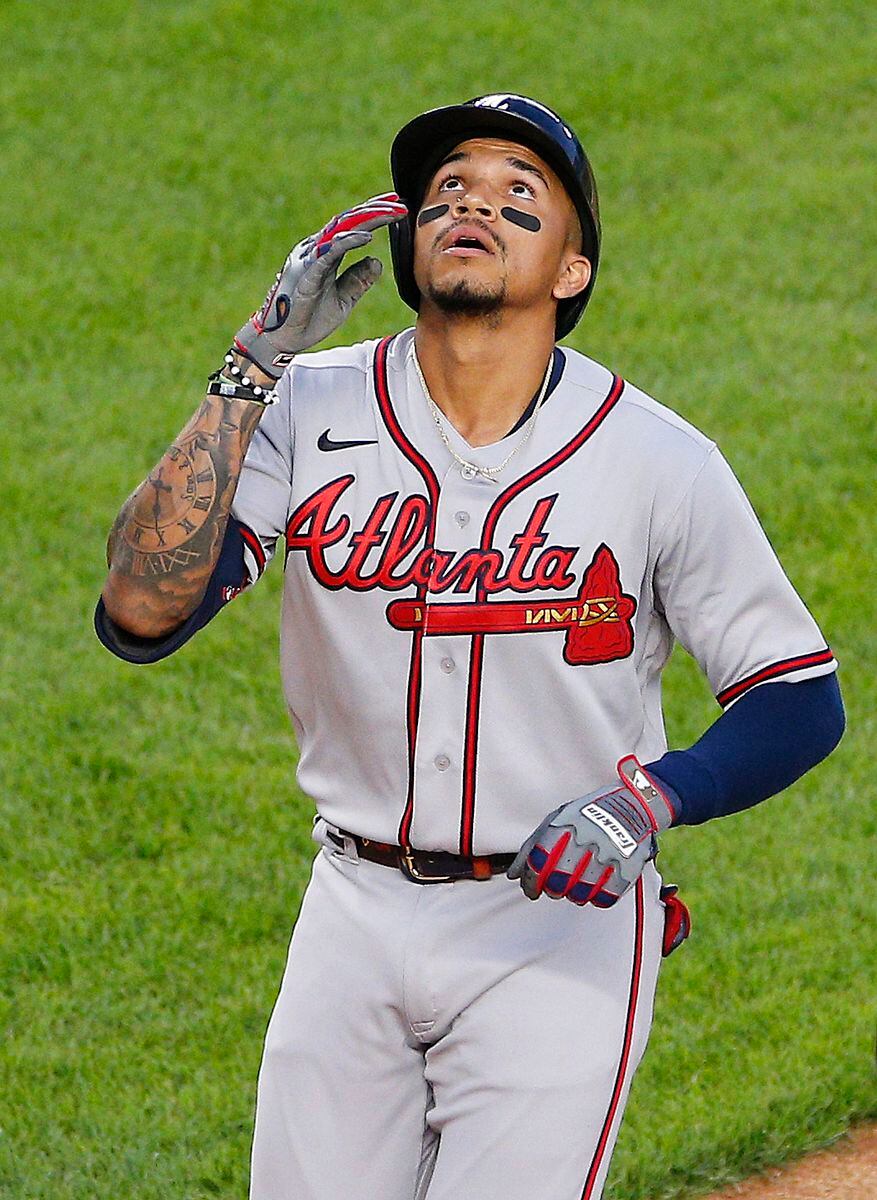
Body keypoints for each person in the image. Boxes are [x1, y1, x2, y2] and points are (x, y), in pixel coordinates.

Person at [96, 94, 844, 1200]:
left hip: (556, 933)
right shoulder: (306, 406)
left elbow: (797, 695)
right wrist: (249, 364)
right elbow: (140, 614)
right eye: (446, 190)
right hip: (349, 911)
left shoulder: (657, 460)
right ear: (407, 243)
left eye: (516, 196)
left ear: (572, 271)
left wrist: (650, 801)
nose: (471, 205)